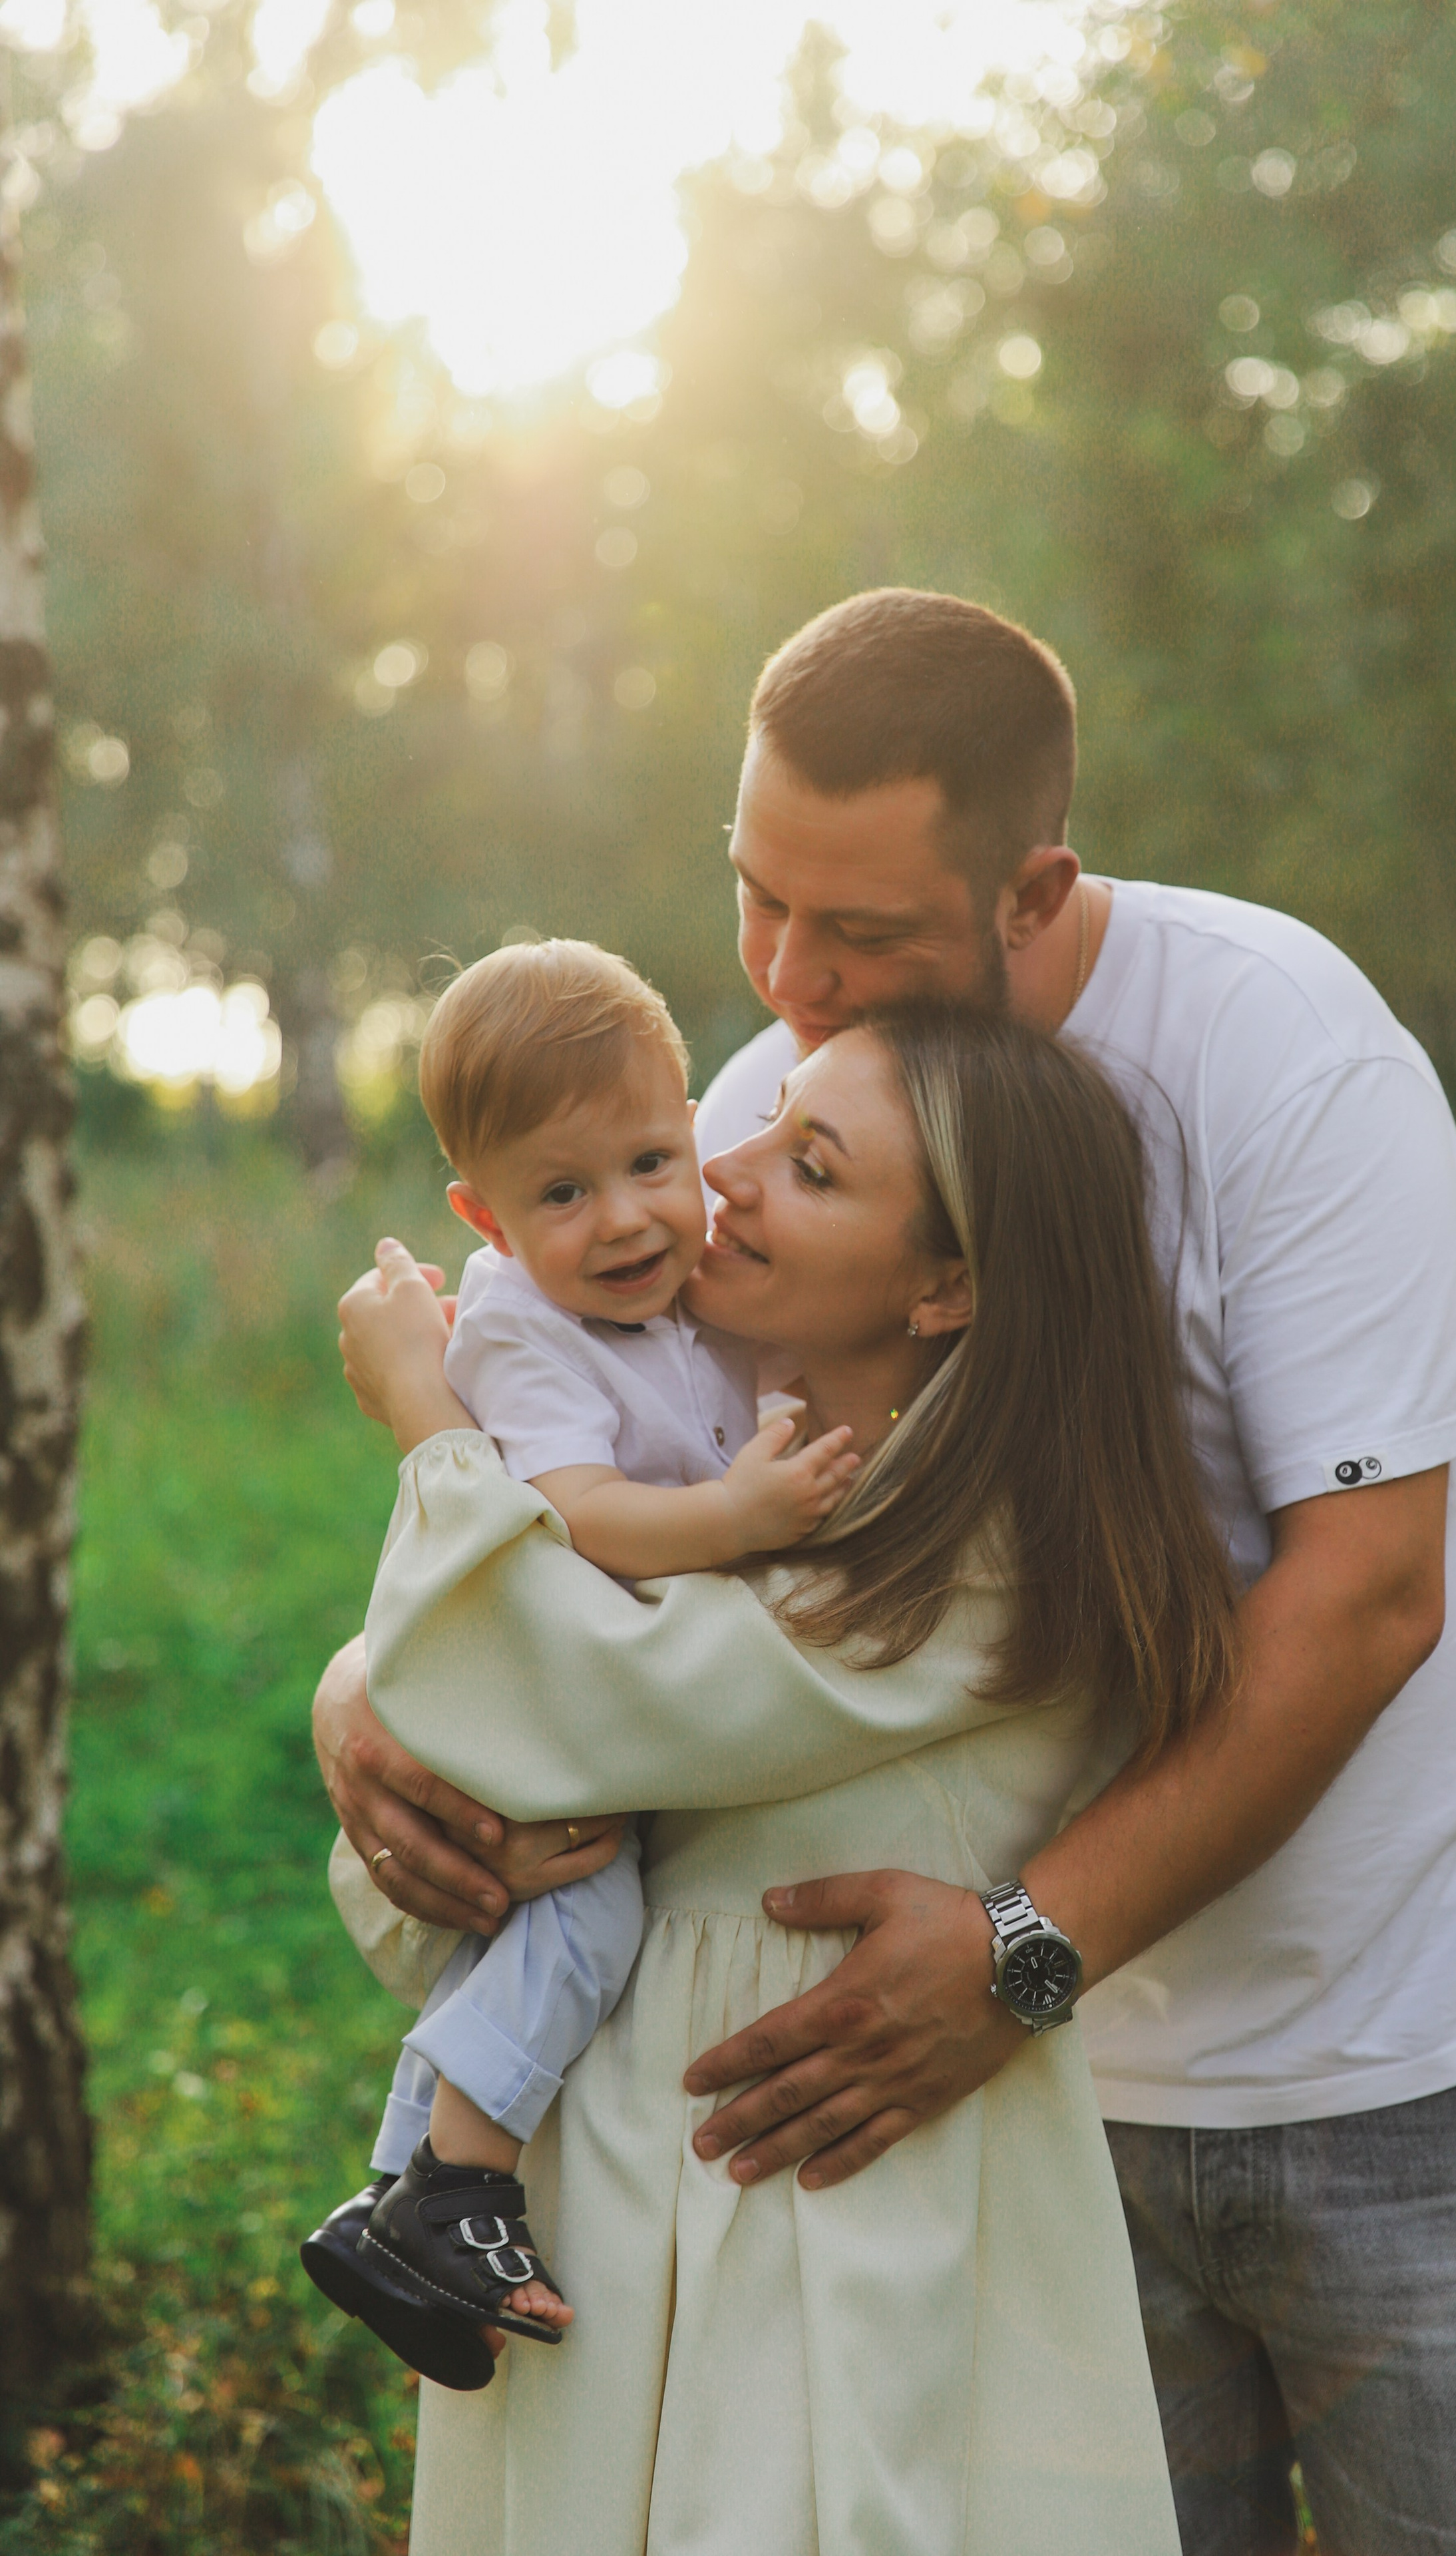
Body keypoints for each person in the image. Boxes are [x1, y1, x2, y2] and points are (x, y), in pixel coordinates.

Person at [315, 589, 1456, 2554]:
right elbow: (611, 1501)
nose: (788, 982)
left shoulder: (1284, 1060)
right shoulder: (772, 1116)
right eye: (760, 901)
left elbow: (1369, 1595)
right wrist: (366, 1696)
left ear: (1033, 890)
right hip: (1012, 2108)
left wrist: (1026, 1949)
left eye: (859, 934)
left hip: (1387, 2040)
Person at [327, 1003, 1238, 2555]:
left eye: (806, 1164)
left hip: (830, 2190)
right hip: (625, 2187)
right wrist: (365, 1696)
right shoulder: (724, 1448)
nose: (725, 1177)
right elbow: (499, 1719)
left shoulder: (981, 1557)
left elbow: (575, 1697)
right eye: (749, 1127)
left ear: (947, 1282)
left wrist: (428, 1427)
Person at [301, 939, 858, 2386]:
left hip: (567, 1684)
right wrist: (736, 1517)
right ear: (484, 1215)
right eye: (562, 1193)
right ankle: (465, 2188)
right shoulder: (521, 1323)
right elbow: (588, 1519)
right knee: (582, 1905)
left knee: (532, 1927)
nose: (624, 1219)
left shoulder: (672, 1300)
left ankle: (386, 2202)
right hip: (534, 1689)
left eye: (649, 1164)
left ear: (695, 1139)